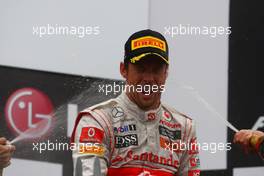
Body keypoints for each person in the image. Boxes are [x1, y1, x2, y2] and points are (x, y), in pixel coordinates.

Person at [71, 29, 200, 176]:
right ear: (123, 69)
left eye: (156, 70)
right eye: (141, 69)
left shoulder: (184, 128)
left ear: (166, 73)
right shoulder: (96, 122)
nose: (149, 78)